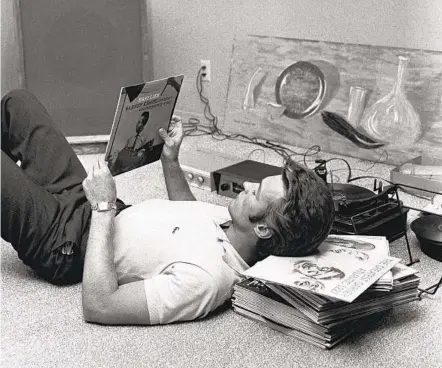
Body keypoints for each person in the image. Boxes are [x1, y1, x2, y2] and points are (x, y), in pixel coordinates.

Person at [1, 89, 335, 325]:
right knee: (19, 103)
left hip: (67, 245)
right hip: (93, 205)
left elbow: (100, 305)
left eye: (256, 191)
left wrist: (103, 207)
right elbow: (189, 214)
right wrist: (171, 160)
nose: (247, 185)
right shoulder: (233, 226)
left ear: (263, 228)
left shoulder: (206, 281)